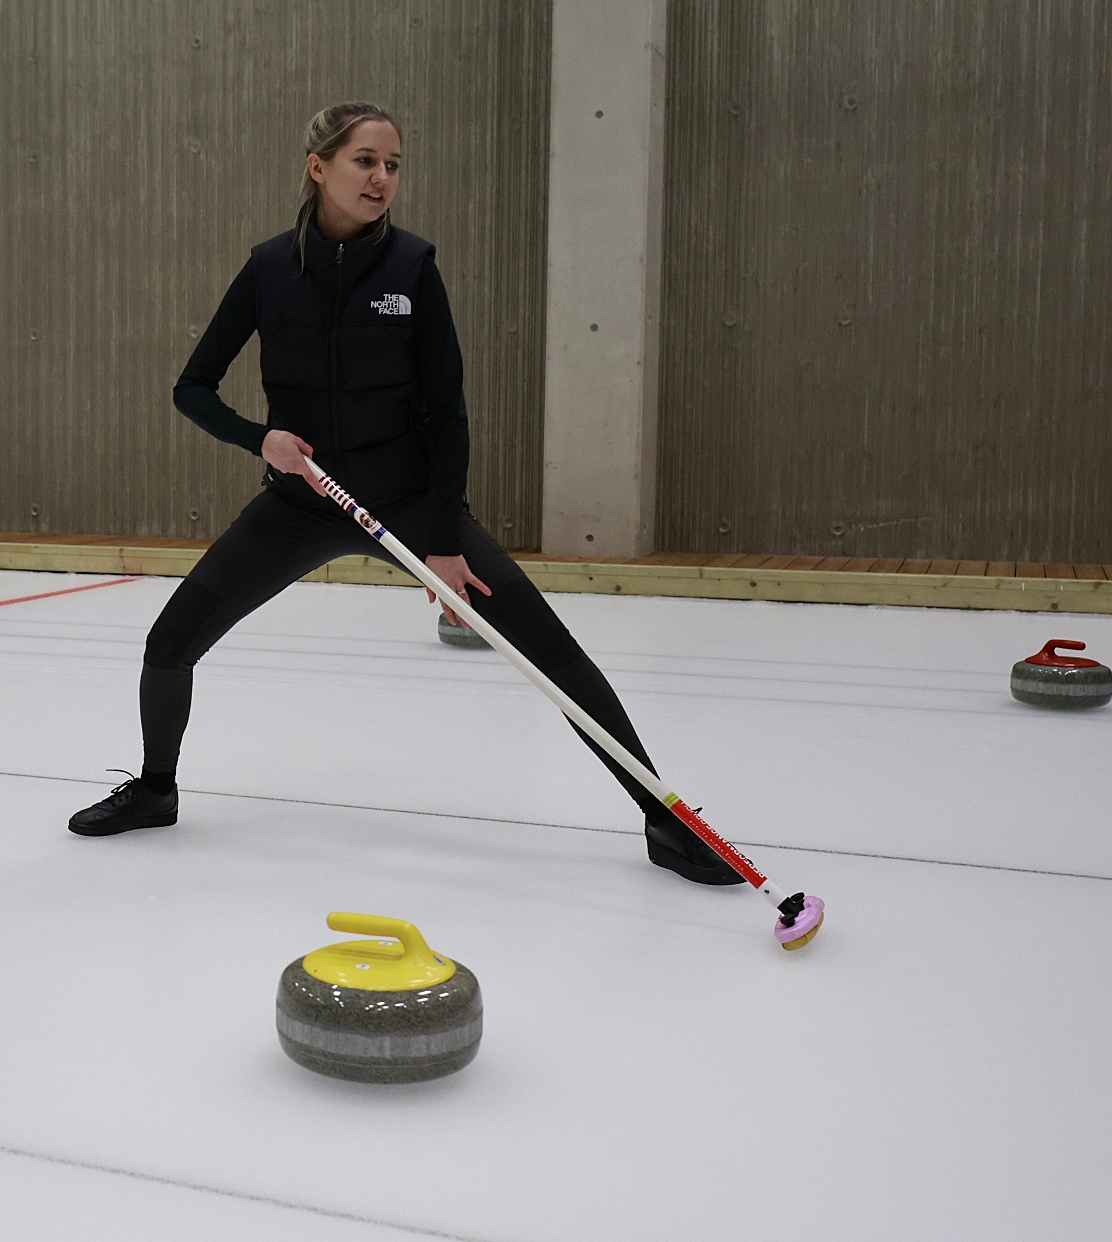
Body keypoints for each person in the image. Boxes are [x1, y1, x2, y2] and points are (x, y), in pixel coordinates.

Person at [65, 103, 740, 887]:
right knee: (170, 642)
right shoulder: (269, 268)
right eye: (365, 161)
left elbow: (448, 414)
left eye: (393, 165)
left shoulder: (412, 267)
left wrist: (445, 543)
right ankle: (155, 790)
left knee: (552, 653)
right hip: (302, 503)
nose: (382, 178)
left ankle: (666, 820)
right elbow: (193, 388)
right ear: (318, 167)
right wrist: (261, 439)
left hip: (411, 505)